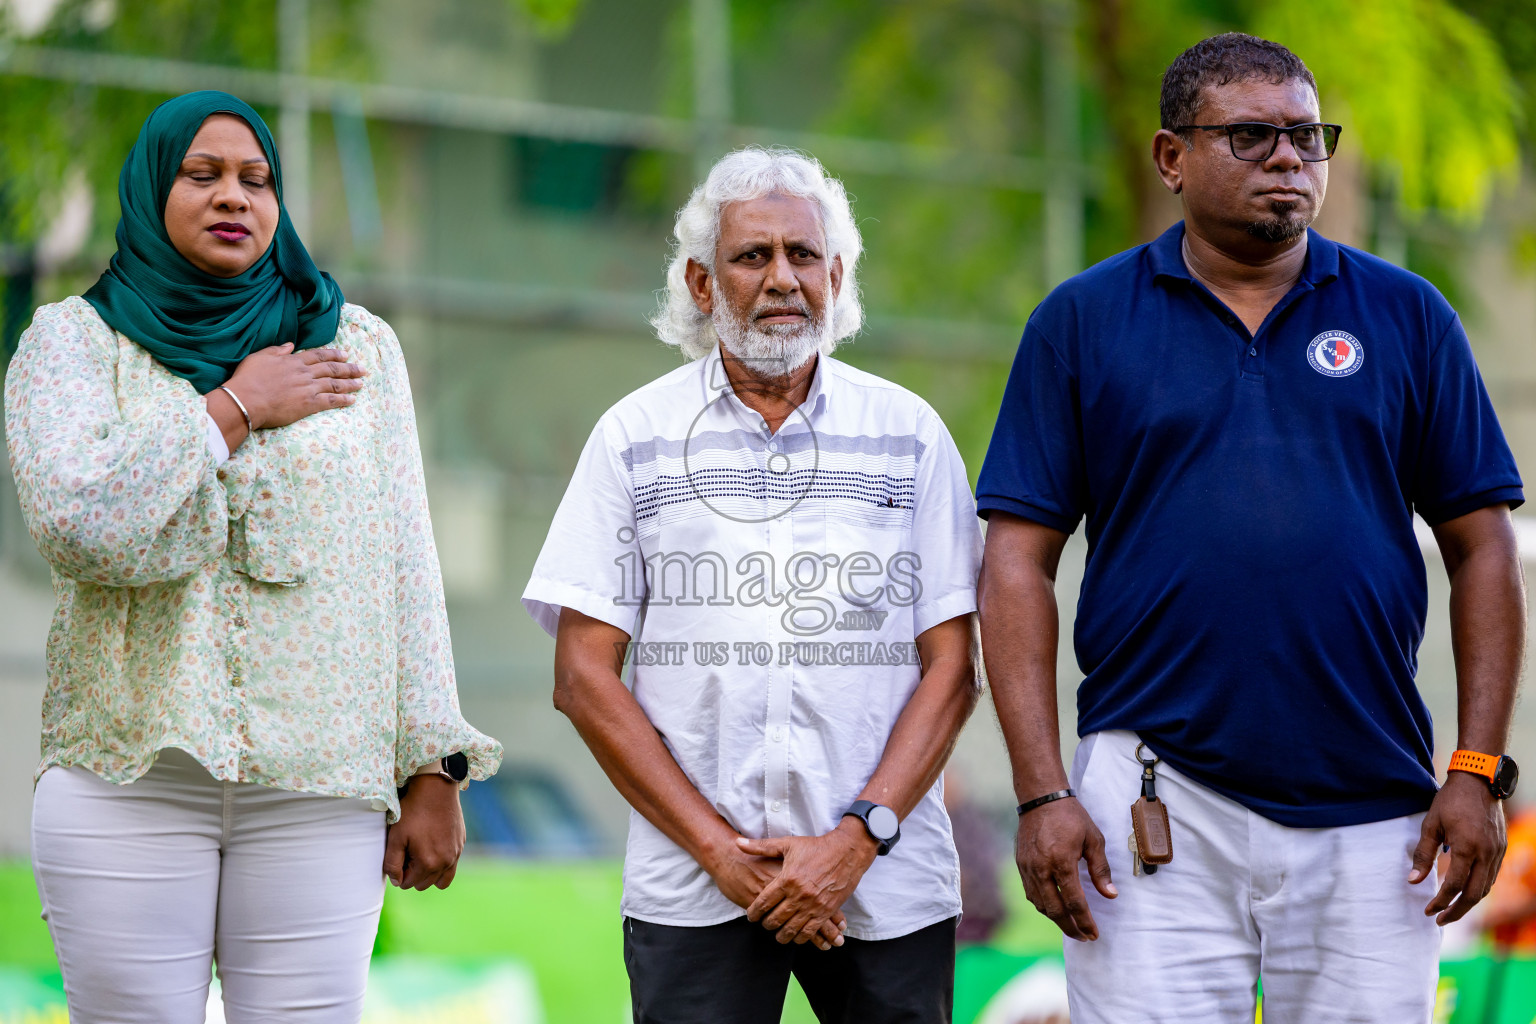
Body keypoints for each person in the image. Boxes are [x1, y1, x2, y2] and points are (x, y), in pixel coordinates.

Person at [975, 33, 1525, 1024]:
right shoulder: (1082, 322)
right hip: (1154, 795)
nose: (1288, 158)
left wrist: (1479, 768)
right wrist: (1043, 791)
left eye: (1308, 137)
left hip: (1376, 809)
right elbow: (1016, 560)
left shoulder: (1409, 316)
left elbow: (1483, 547)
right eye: (1252, 136)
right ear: (1171, 157)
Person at [5, 91, 502, 1023]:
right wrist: (236, 407)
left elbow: (405, 558)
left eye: (256, 178)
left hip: (320, 781)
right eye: (202, 175)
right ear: (152, 189)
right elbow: (78, 523)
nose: (234, 195)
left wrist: (434, 765)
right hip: (128, 772)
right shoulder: (74, 343)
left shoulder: (357, 345)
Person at [522, 147, 983, 1023]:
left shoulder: (910, 435)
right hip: (692, 887)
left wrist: (856, 841)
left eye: (804, 255)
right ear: (701, 283)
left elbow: (954, 669)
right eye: (752, 255)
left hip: (884, 882)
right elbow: (582, 677)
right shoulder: (634, 437)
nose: (782, 278)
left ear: (835, 278)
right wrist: (720, 854)